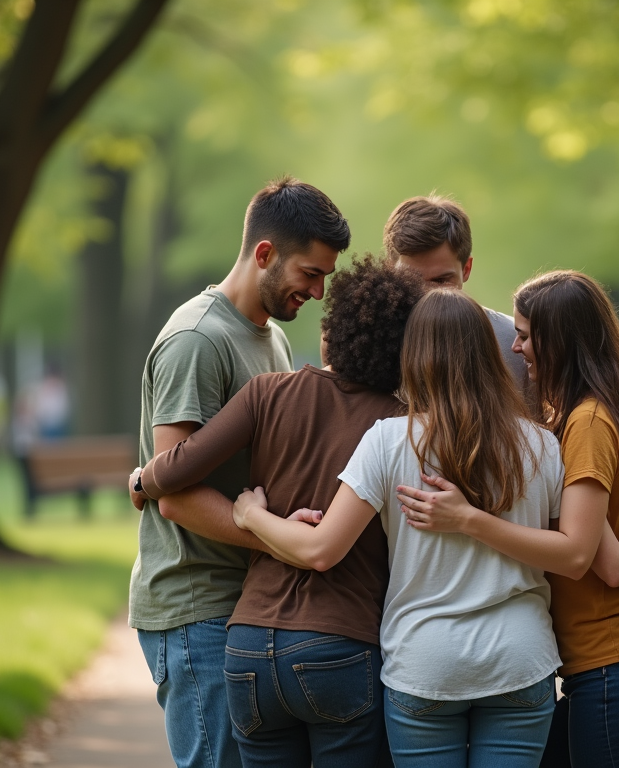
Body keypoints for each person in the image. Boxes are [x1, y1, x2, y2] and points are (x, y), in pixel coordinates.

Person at [232, 289, 571, 767]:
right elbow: (567, 554)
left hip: (423, 665)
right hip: (519, 659)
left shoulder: (391, 441)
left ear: (414, 357)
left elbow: (320, 550)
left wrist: (249, 515)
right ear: (488, 352)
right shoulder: (541, 444)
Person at [133, 256, 425, 768]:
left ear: (335, 327)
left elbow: (177, 466)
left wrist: (142, 479)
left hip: (249, 646)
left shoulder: (269, 391)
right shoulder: (400, 426)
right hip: (341, 643)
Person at [396, 270, 619, 768]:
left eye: (526, 336)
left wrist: (469, 519)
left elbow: (583, 556)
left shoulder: (587, 424)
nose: (518, 347)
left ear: (559, 341)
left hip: (616, 662)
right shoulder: (594, 412)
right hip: (612, 666)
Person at [128, 176, 350, 768]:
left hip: (243, 604)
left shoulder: (269, 337)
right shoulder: (198, 339)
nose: (320, 291)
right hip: (196, 606)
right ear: (264, 255)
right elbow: (172, 493)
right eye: (311, 273)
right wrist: (277, 540)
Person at [383, 194, 527, 387]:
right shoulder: (366, 345)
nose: (427, 295)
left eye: (441, 280)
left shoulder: (514, 345)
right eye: (411, 280)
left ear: (466, 269)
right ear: (390, 271)